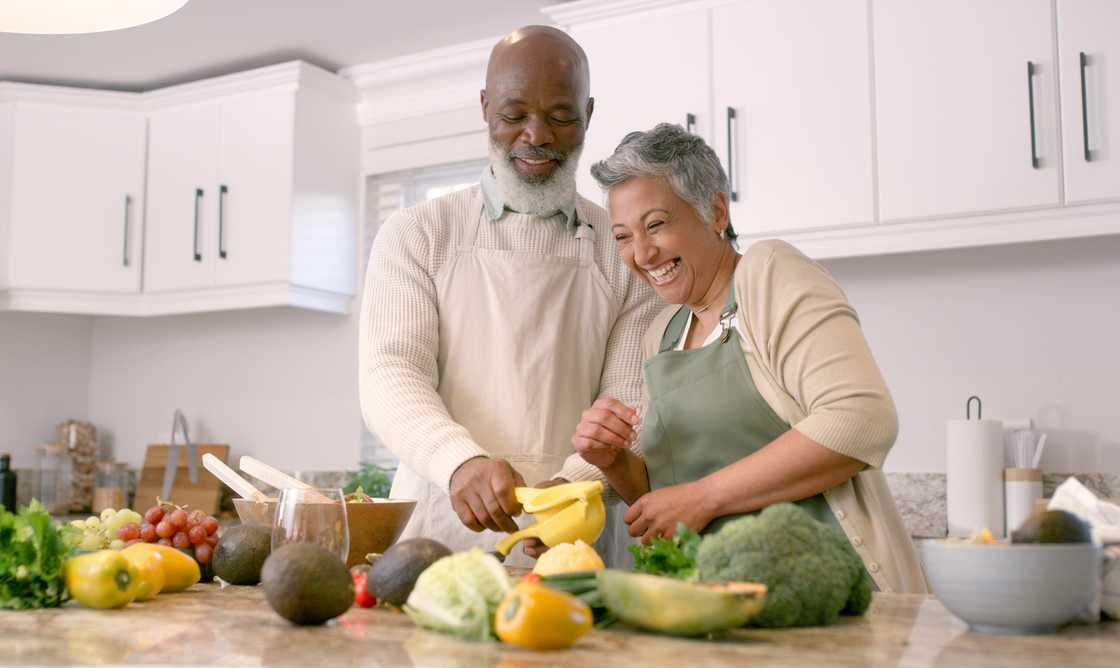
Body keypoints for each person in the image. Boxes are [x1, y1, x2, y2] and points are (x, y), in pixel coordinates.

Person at [571, 123, 927, 592]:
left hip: (829, 597)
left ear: (716, 211)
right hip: (714, 603)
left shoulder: (769, 274)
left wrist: (706, 497)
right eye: (622, 236)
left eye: (656, 224)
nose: (640, 252)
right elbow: (671, 506)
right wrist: (613, 460)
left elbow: (862, 419)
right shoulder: (663, 332)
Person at [359, 26, 660, 566]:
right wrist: (459, 462)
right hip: (437, 542)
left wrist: (565, 495)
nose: (536, 135)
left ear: (588, 114)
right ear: (484, 108)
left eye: (561, 115)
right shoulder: (417, 232)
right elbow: (390, 373)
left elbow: (628, 405)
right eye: (514, 114)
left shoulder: (625, 248)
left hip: (576, 547)